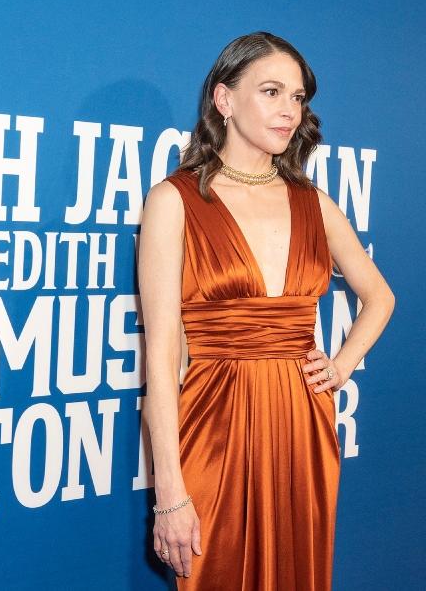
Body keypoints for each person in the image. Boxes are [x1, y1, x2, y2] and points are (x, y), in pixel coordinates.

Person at [138, 32, 394, 590]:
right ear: (224, 100)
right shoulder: (173, 201)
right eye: (272, 91)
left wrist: (343, 364)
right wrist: (168, 493)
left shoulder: (314, 202)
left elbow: (380, 297)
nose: (288, 111)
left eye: (297, 97)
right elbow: (159, 358)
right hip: (213, 423)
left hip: (302, 424)